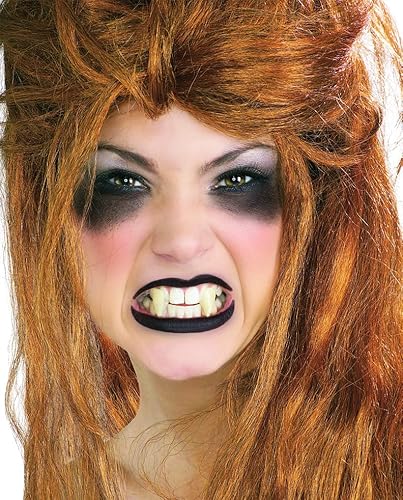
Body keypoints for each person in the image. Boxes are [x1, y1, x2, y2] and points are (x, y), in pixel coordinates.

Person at [1, 1, 401, 498]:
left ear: (314, 203)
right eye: (123, 182)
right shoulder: (63, 485)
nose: (182, 242)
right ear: (54, 209)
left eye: (237, 180)